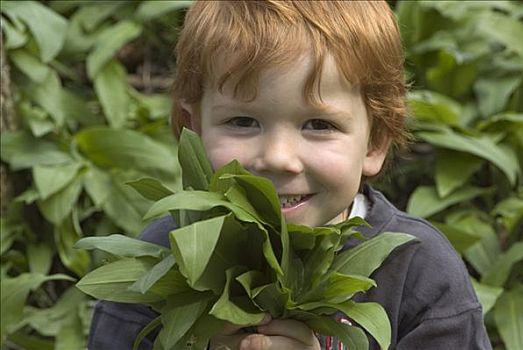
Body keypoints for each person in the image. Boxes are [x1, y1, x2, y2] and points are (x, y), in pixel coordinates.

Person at [88, 1, 492, 349]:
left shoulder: (419, 273)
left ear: (375, 142)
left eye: (318, 124)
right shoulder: (161, 261)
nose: (278, 159)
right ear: (193, 128)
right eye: (243, 121)